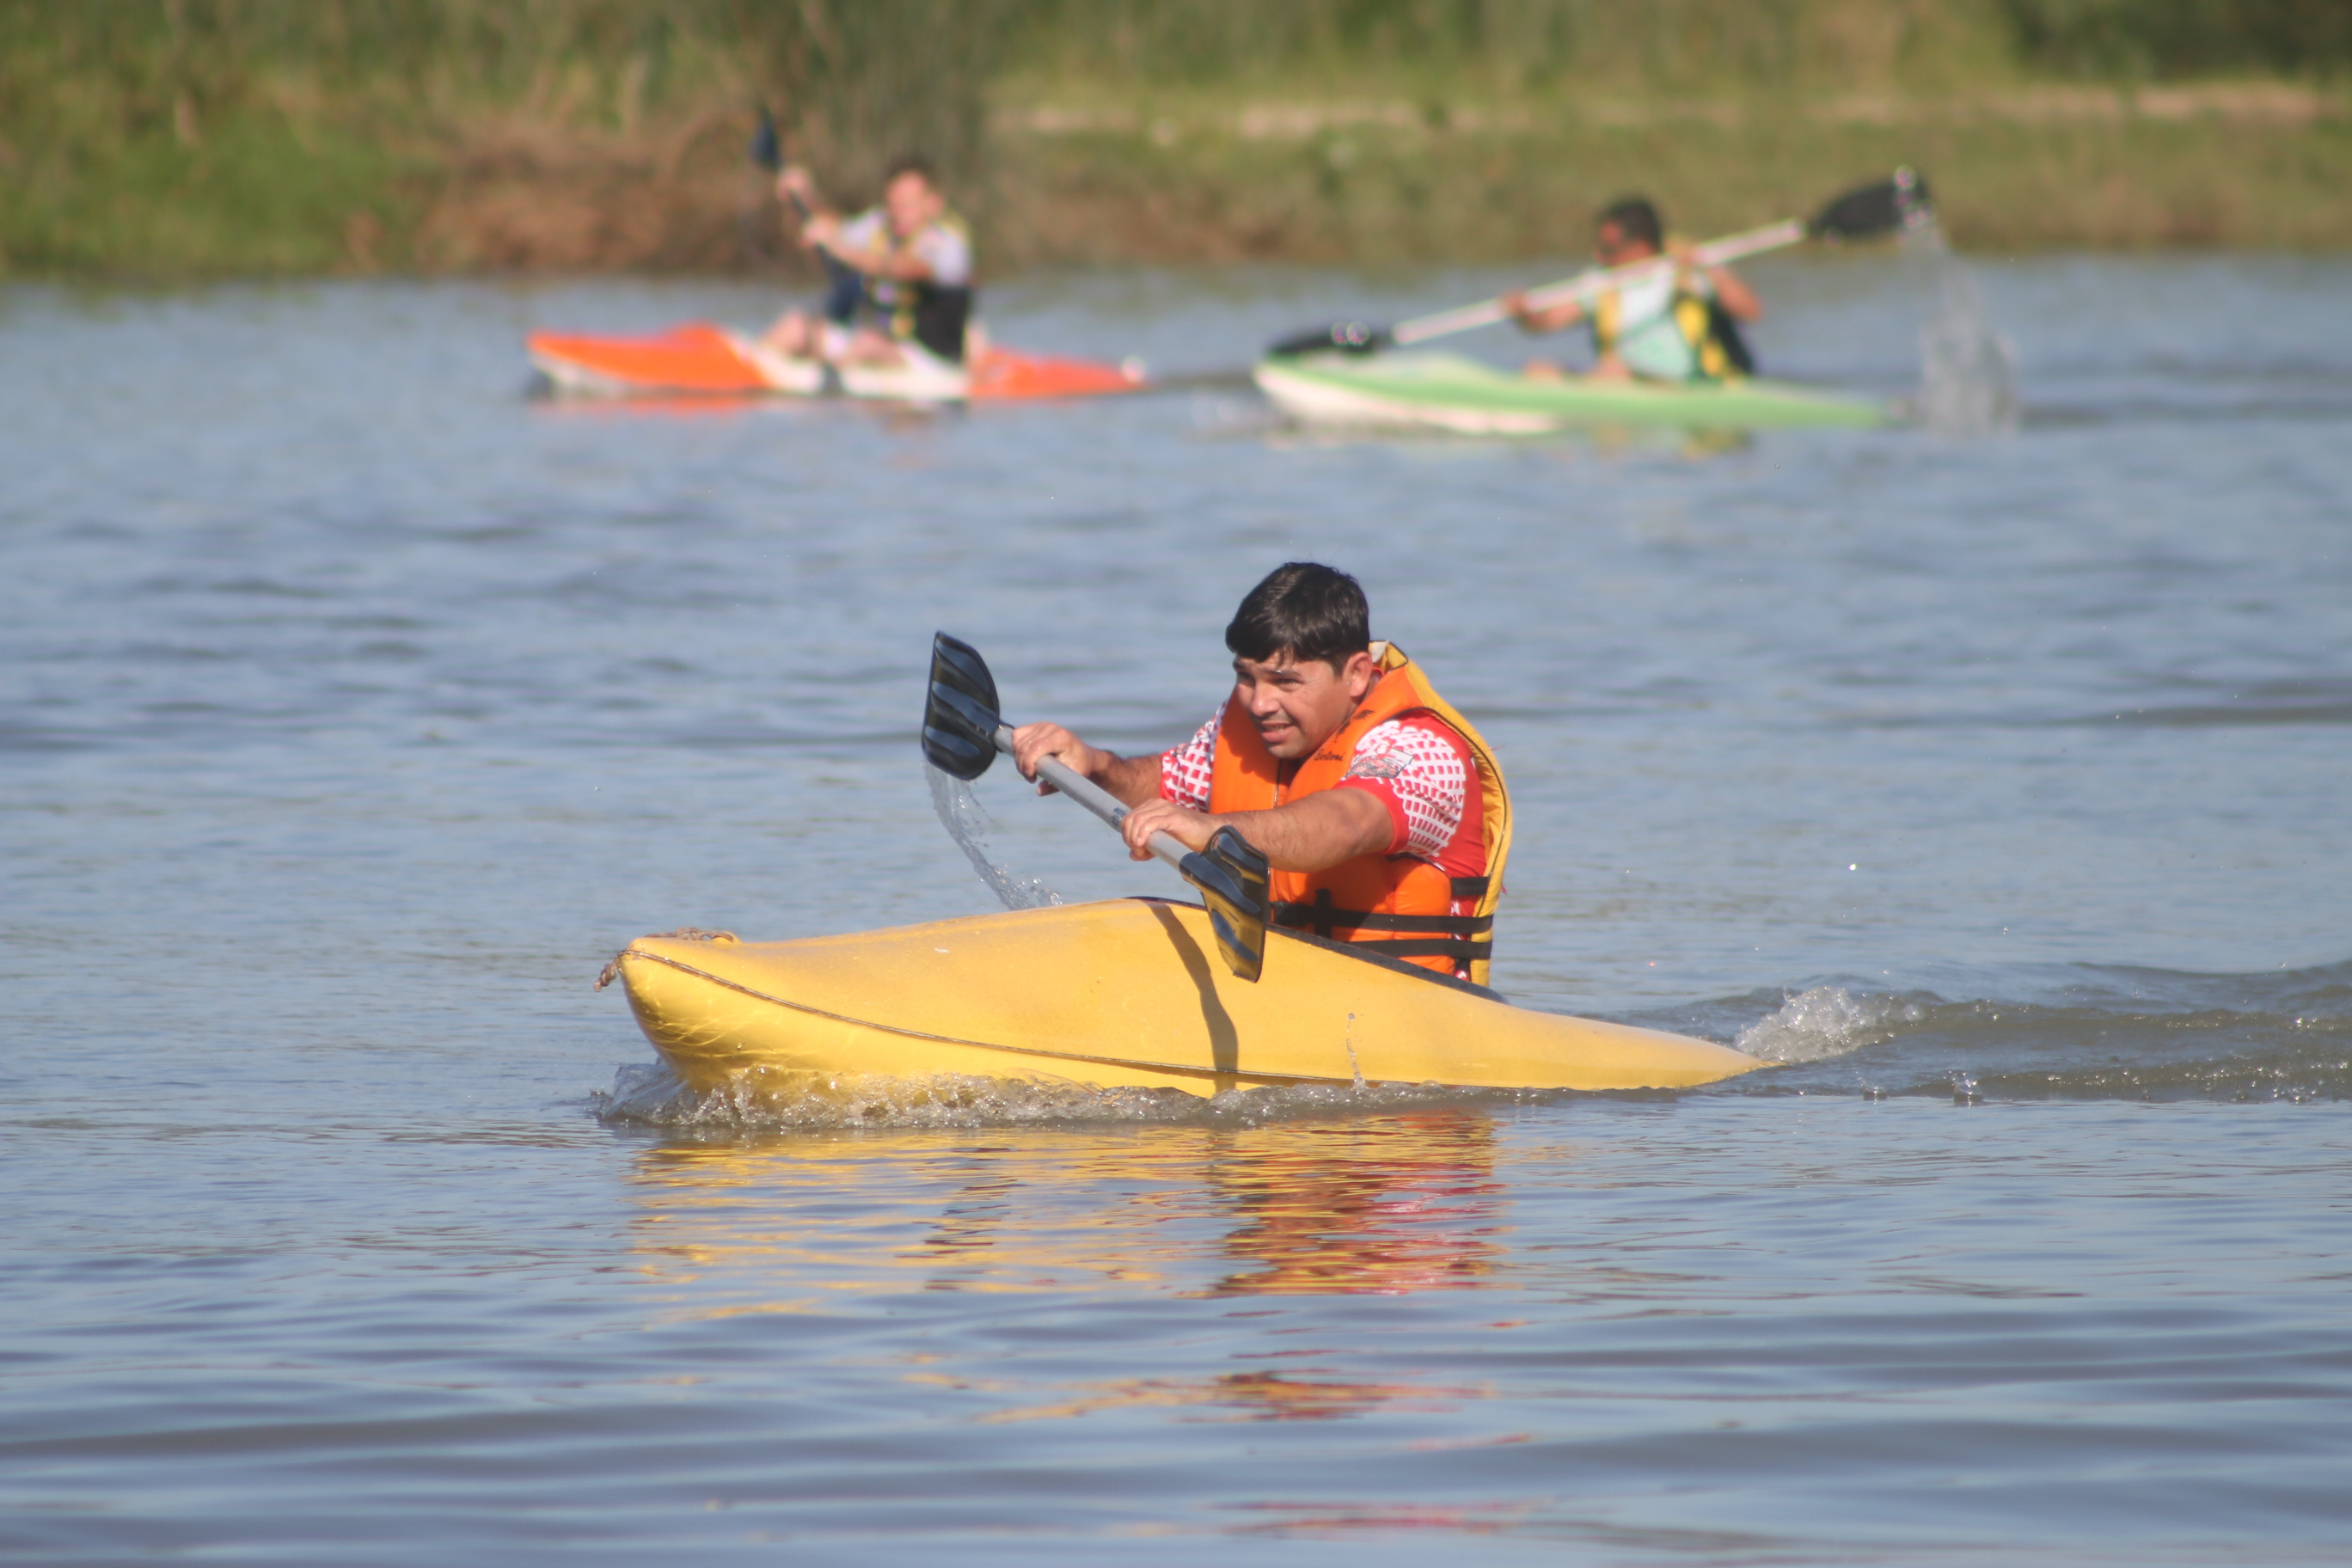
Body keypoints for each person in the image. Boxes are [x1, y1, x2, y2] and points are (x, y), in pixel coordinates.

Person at [1009, 563, 1512, 985]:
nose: (1260, 703)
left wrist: (1213, 829)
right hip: (1294, 1006)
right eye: (1245, 677)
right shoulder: (1247, 733)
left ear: (1357, 674)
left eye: (1285, 681)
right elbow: (1170, 783)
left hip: (1421, 1023)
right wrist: (1097, 765)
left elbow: (1349, 822)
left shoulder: (1419, 750)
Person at [1503, 196, 1761, 383]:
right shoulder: (1601, 281)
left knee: (1612, 375)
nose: (1599, 256)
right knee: (1537, 371)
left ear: (1640, 249)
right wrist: (1524, 314)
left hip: (1682, 386)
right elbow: (1547, 321)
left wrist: (1709, 269)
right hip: (1617, 380)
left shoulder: (1685, 273)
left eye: (1608, 249)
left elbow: (1751, 311)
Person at [761, 156, 973, 368]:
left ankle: (829, 388)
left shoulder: (949, 245)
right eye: (893, 205)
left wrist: (840, 249)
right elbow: (832, 227)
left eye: (908, 205)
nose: (898, 214)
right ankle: (751, 372)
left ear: (934, 204)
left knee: (867, 344)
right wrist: (803, 197)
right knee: (796, 326)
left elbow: (903, 268)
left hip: (930, 361)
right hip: (875, 345)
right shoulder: (880, 225)